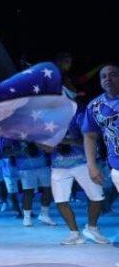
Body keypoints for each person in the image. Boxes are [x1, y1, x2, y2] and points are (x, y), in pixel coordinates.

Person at [43, 102, 108, 245]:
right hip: (58, 166)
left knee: (97, 197)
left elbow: (89, 139)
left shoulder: (78, 116)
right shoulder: (46, 122)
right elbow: (47, 149)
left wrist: (65, 141)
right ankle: (74, 233)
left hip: (83, 163)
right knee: (61, 200)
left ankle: (92, 228)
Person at [82, 63, 119, 265]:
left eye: (113, 75)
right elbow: (89, 136)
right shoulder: (95, 106)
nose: (108, 78)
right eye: (104, 76)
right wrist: (91, 166)